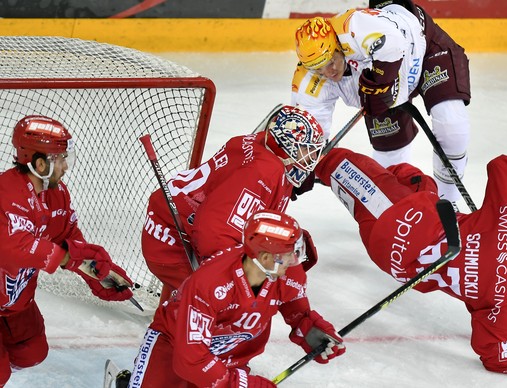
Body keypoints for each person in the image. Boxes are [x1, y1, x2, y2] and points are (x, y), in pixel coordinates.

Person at [313, 146, 507, 376]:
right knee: (417, 180)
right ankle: (389, 178)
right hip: (394, 262)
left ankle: (288, 165)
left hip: (402, 217)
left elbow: (504, 167)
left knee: (335, 162)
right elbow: (501, 359)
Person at [127, 210, 345, 387]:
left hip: (229, 357)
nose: (294, 260)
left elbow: (294, 307)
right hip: (174, 345)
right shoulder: (210, 283)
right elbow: (191, 360)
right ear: (266, 258)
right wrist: (240, 385)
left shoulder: (286, 272)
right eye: (289, 253)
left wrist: (310, 328)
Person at [292, 0, 471, 204]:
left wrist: (380, 82)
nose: (328, 72)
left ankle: (449, 203)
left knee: (452, 126)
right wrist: (306, 164)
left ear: (337, 45)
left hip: (425, 50)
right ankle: (403, 211)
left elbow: (394, 44)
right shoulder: (308, 79)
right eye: (318, 69)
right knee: (390, 160)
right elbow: (311, 128)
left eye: (331, 61)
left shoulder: (352, 27)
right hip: (380, 86)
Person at [142, 105, 325, 303]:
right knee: (226, 306)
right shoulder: (263, 172)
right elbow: (214, 232)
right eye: (307, 150)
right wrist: (232, 279)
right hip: (172, 240)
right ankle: (170, 326)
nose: (313, 158)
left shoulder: (262, 145)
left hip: (173, 222)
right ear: (287, 146)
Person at [0, 115, 134, 385]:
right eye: (59, 158)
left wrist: (96, 271)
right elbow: (15, 247)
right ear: (40, 163)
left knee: (32, 352)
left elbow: (69, 237)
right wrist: (66, 259)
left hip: (16, 303)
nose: (65, 166)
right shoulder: (6, 192)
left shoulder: (57, 193)